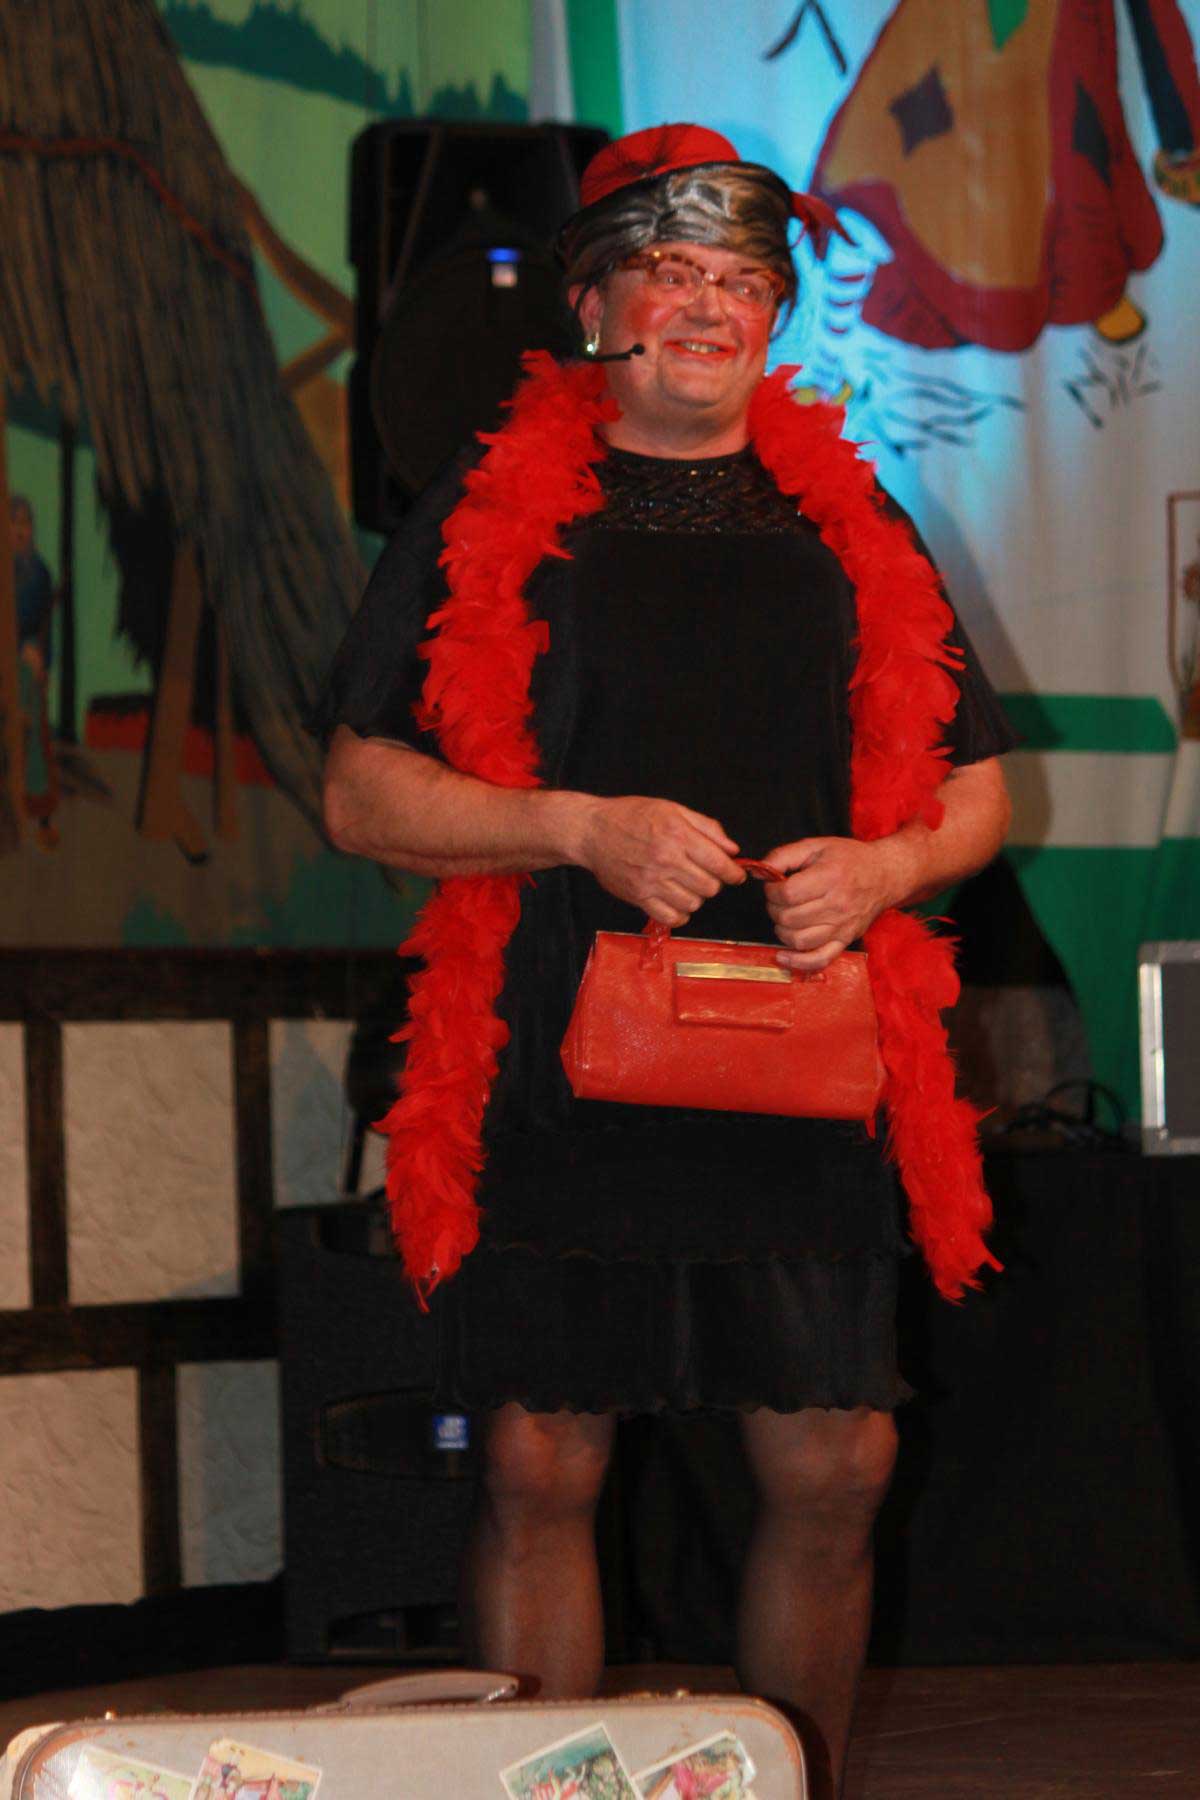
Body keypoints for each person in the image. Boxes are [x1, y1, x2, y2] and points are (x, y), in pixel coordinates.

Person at [318, 123, 1014, 1797]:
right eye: (671, 272)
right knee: (543, 1460)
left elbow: (981, 790)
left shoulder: (852, 519)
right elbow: (359, 792)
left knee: (838, 1464)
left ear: (774, 318)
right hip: (558, 1035)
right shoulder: (484, 507)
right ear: (594, 304)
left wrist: (887, 867)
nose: (708, 305)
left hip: (801, 1041)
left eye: (742, 280)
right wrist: (576, 828)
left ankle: (790, 1786)